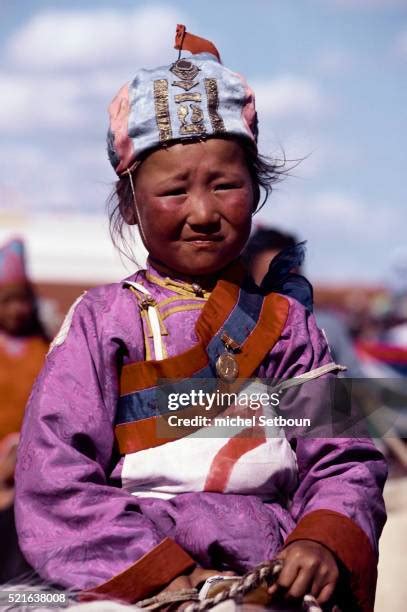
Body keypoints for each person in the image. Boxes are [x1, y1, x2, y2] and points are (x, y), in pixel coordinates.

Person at [15, 26, 387, 611]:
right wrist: (164, 576)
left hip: (269, 572)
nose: (204, 212)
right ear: (130, 205)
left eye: (226, 185)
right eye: (173, 191)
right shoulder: (102, 322)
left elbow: (345, 456)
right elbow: (56, 476)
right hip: (136, 570)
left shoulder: (290, 324)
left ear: (256, 190)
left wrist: (320, 537)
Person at [0, 237, 48, 581]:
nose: (18, 309)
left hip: (31, 465)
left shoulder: (44, 348)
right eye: (7, 301)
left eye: (23, 300)